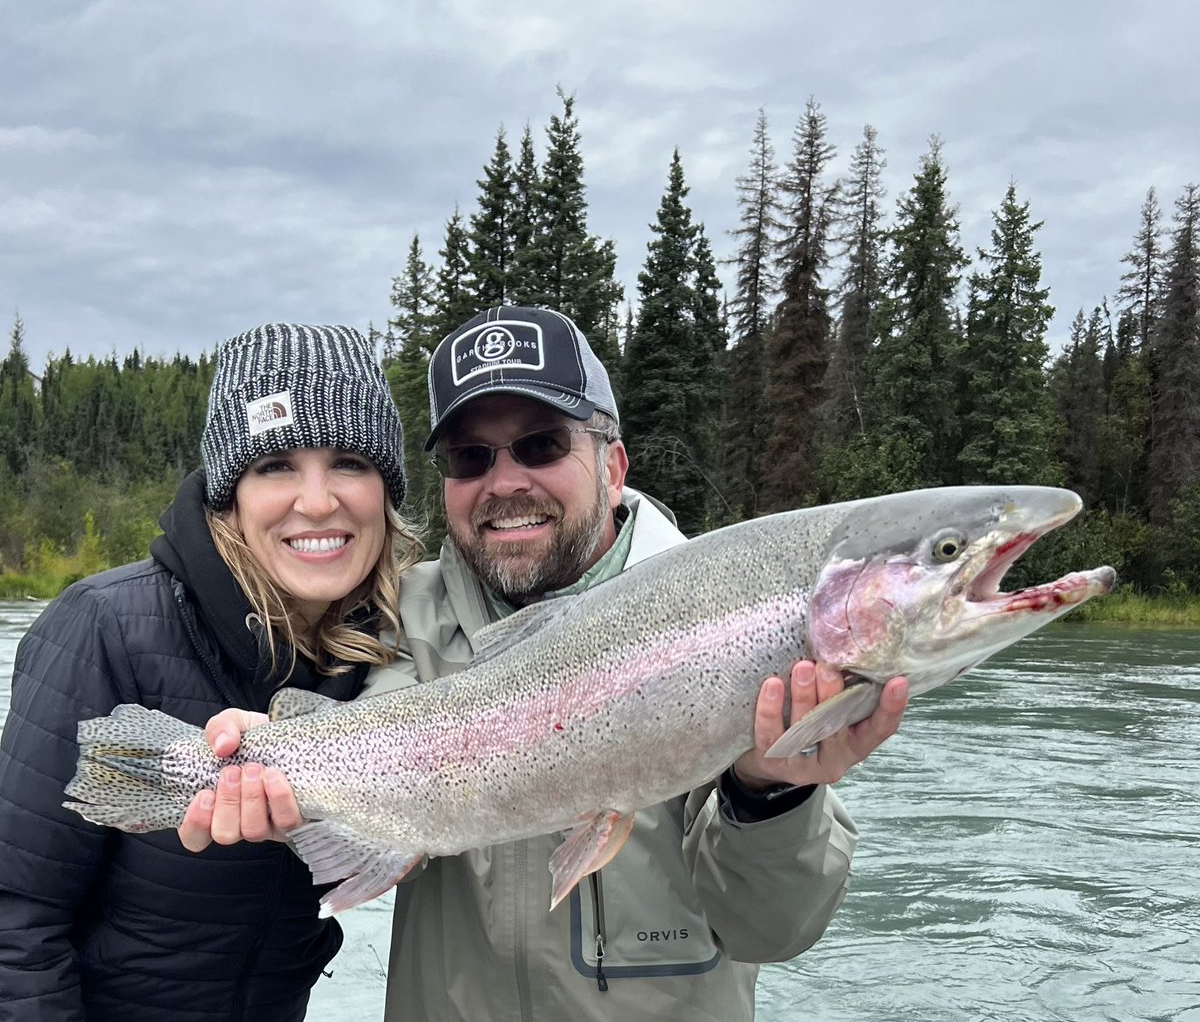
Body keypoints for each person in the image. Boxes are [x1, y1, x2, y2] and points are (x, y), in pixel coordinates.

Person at [183, 305, 910, 1021]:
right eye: (472, 457)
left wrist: (770, 792)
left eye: (540, 445)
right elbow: (362, 753)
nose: (505, 483)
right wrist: (260, 765)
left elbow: (773, 930)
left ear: (613, 463)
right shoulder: (405, 614)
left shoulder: (727, 623)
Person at [0, 323, 421, 1022]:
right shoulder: (104, 625)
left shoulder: (383, 658)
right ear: (229, 493)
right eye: (276, 465)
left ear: (386, 488)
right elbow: (14, 920)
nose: (317, 500)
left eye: (349, 461)